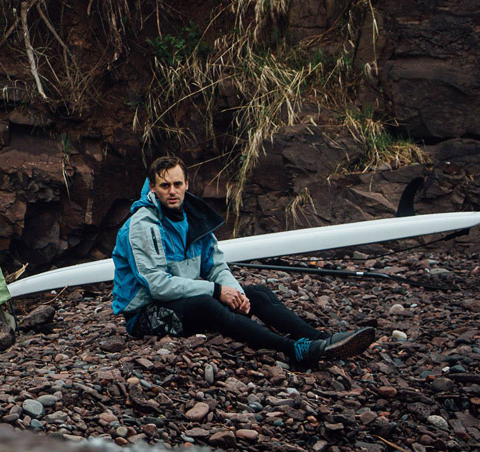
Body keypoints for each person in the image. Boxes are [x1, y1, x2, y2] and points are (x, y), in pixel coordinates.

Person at [111, 155, 374, 369]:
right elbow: (158, 286)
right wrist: (216, 291)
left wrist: (236, 295)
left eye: (177, 184)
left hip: (181, 300)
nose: (172, 191)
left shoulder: (194, 216)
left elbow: (215, 266)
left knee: (257, 293)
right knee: (208, 304)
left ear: (187, 184)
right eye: (165, 186)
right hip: (145, 314)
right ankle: (295, 350)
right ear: (153, 188)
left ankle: (321, 340)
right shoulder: (143, 225)